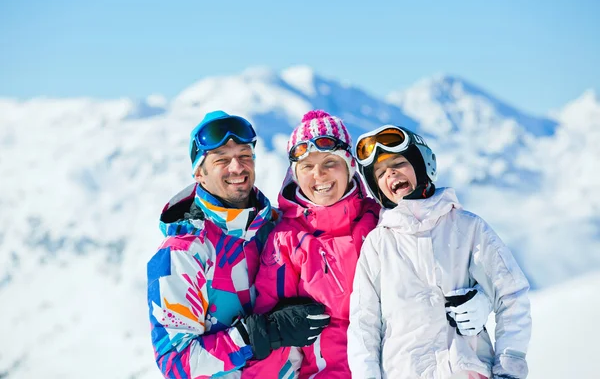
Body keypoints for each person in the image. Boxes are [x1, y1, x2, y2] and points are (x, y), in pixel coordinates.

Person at [241, 111, 490, 379]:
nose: (319, 175)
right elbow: (271, 335)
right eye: (307, 167)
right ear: (295, 174)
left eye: (329, 162)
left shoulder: (383, 220)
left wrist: (483, 298)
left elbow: (438, 265)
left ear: (349, 166)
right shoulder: (286, 241)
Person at [147, 110, 330, 379]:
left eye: (245, 156)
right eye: (222, 160)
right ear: (199, 173)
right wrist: (262, 334)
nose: (237, 167)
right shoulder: (182, 252)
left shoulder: (279, 227)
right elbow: (177, 363)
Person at [347, 124, 532, 379]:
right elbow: (363, 325)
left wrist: (509, 365)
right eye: (379, 172)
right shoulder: (378, 246)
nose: (391, 173)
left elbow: (512, 294)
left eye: (399, 163)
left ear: (423, 165)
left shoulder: (467, 228)